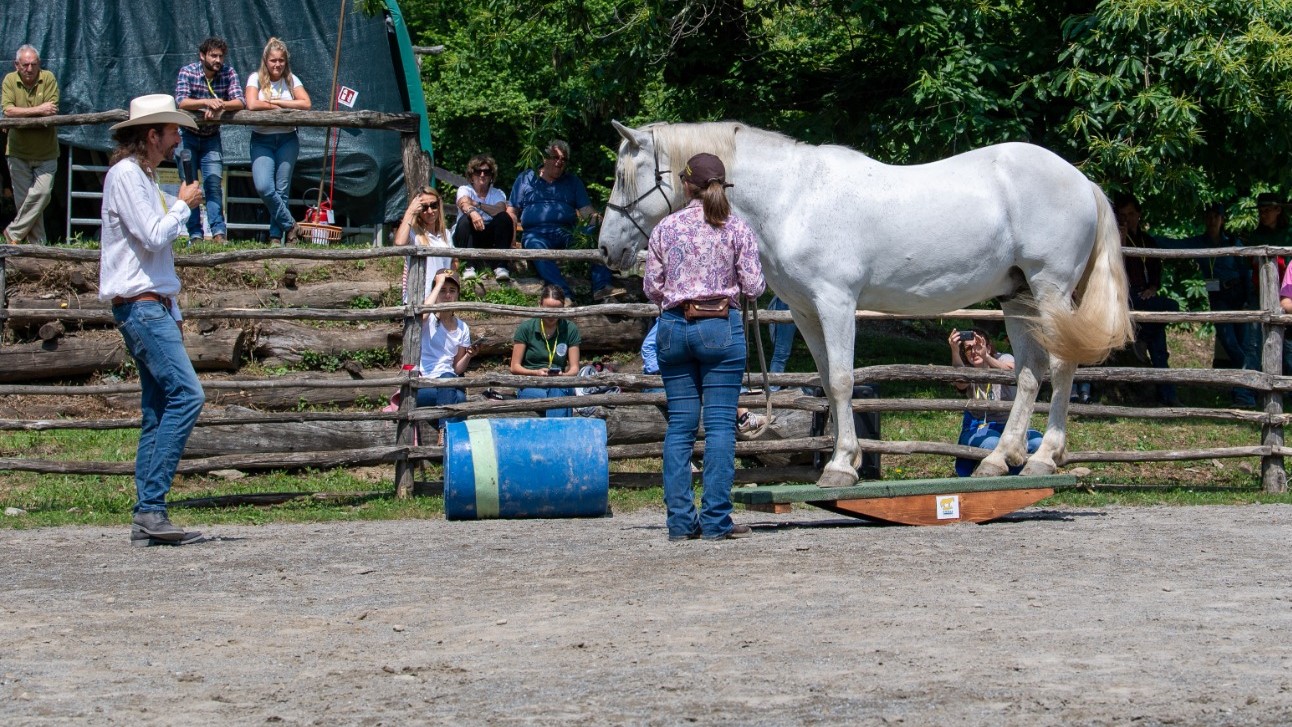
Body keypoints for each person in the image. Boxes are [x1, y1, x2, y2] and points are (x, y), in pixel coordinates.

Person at [97, 94, 205, 546]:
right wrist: (182, 205)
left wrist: (173, 307)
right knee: (187, 396)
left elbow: (157, 253)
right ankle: (152, 507)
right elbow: (154, 234)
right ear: (151, 134)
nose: (178, 138)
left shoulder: (141, 177)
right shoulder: (126, 176)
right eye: (173, 130)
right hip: (141, 305)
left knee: (158, 409)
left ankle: (148, 514)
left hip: (150, 304)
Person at [644, 152, 765, 542]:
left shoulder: (665, 227)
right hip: (719, 328)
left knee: (680, 427)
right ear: (720, 187)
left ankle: (680, 522)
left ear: (687, 185)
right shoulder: (736, 228)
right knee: (718, 428)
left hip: (674, 326)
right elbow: (754, 287)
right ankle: (716, 521)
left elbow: (652, 287)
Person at [509, 139, 624, 302]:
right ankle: (565, 295)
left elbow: (587, 213)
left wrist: (602, 224)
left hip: (567, 233)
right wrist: (511, 240)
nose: (559, 162)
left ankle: (602, 287)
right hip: (536, 234)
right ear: (545, 158)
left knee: (595, 233)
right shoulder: (526, 178)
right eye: (555, 157)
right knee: (537, 248)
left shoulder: (573, 181)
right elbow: (512, 212)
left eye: (564, 159)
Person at [1166, 202, 1256, 406]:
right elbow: (1173, 245)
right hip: (1218, 297)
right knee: (1229, 342)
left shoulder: (1234, 242)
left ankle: (1243, 392)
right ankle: (1249, 382)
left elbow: (1247, 272)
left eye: (1216, 216)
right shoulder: (1199, 243)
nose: (1212, 219)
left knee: (1241, 343)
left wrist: (1248, 301)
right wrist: (1146, 240)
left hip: (1238, 296)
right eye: (1209, 215)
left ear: (1222, 219)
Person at [175, 36, 245, 243]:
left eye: (221, 56)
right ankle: (195, 234)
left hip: (211, 138)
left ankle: (218, 233)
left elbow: (240, 101)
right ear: (202, 55)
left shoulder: (229, 73)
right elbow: (181, 101)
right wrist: (206, 102)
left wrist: (219, 106)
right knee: (190, 185)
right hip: (187, 137)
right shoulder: (187, 72)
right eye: (213, 55)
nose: (218, 60)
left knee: (214, 184)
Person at [1115, 192, 1181, 407]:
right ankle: (1145, 338)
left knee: (1161, 342)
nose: (1128, 218)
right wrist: (1121, 241)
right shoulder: (1115, 238)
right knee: (1159, 334)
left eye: (1131, 214)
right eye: (1123, 214)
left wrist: (1152, 288)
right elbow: (1115, 269)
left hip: (1145, 294)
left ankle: (1168, 396)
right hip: (1125, 295)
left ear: (1139, 215)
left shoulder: (1147, 240)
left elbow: (1155, 271)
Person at [948, 328, 1043, 477]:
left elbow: (1011, 371)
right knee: (993, 442)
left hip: (1012, 427)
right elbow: (960, 383)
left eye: (978, 345)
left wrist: (986, 356)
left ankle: (1018, 475)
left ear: (989, 346)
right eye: (968, 348)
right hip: (979, 428)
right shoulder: (967, 369)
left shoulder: (1003, 358)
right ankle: (1003, 477)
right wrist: (954, 350)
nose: (974, 351)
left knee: (1038, 442)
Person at [244, 38, 310, 246]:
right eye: (273, 60)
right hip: (262, 139)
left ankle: (276, 236)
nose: (277, 65)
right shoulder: (255, 78)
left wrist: (275, 102)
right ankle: (291, 225)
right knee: (264, 187)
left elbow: (306, 103)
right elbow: (252, 104)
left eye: (281, 60)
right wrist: (275, 109)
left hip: (287, 139)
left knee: (282, 190)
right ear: (266, 60)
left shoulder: (291, 80)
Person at [2, 45, 59, 244]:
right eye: (25, 64)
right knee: (26, 204)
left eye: (33, 64)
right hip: (18, 152)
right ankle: (38, 250)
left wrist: (25, 114)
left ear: (39, 64)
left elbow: (51, 110)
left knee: (41, 195)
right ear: (17, 65)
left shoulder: (49, 78)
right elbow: (8, 111)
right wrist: (39, 110)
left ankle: (13, 233)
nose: (29, 68)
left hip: (47, 152)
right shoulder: (10, 80)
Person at [415, 268, 478, 445]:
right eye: (443, 291)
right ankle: (447, 433)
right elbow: (421, 314)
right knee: (458, 397)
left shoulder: (462, 328)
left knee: (455, 388)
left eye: (452, 291)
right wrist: (439, 282)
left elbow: (458, 368)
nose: (447, 295)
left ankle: (448, 440)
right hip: (425, 386)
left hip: (448, 385)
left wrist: (469, 356)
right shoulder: (428, 321)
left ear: (458, 294)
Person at [510, 284, 581, 417]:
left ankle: (555, 434)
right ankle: (560, 434)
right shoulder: (526, 328)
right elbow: (514, 367)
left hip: (561, 383)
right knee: (560, 397)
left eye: (557, 310)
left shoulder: (570, 328)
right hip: (531, 384)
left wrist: (562, 376)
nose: (552, 315)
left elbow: (574, 368)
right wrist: (536, 372)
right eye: (548, 309)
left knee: (557, 390)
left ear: (563, 308)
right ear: (540, 306)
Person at [1247, 193, 1291, 374]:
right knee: (1253, 341)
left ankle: (1287, 388)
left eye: (1267, 210)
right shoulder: (1255, 237)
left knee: (1287, 343)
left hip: (1287, 294)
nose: (1263, 214)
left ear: (1278, 210)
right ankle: (1245, 394)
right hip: (1260, 293)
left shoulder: (1289, 235)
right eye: (1261, 211)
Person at [453, 154, 515, 281]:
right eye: (478, 171)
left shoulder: (498, 193)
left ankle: (500, 266)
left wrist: (476, 204)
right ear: (471, 175)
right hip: (468, 236)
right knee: (465, 220)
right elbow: (463, 203)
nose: (482, 175)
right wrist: (472, 213)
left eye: (486, 172)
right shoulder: (464, 189)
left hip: (489, 236)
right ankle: (468, 266)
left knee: (504, 218)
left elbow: (500, 209)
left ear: (491, 176)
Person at [395, 186, 454, 303]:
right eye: (424, 207)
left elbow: (453, 262)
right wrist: (410, 211)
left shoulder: (446, 234)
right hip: (418, 298)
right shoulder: (413, 233)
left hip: (440, 299)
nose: (430, 211)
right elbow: (399, 243)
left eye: (433, 205)